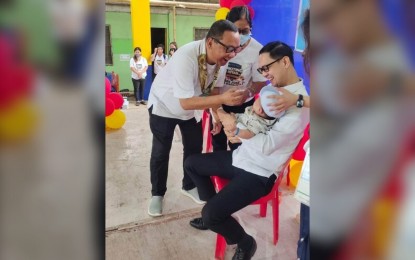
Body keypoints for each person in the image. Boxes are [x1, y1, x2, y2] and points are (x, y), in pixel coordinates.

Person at [186, 41, 310, 260]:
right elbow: (250, 116)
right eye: (260, 69)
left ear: (285, 61)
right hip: (240, 158)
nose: (264, 74)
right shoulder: (273, 90)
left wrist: (237, 132)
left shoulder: (298, 107)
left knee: (211, 214)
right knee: (192, 164)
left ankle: (245, 242)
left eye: (266, 68)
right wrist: (230, 119)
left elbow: (267, 145)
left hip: (260, 173)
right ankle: (215, 214)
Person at [146, 20, 246, 217]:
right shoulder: (186, 57)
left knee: (193, 149)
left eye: (236, 49)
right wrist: (223, 100)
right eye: (228, 48)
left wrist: (218, 115)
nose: (232, 54)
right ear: (210, 42)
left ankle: (188, 184)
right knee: (161, 152)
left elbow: (213, 91)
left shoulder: (221, 60)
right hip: (164, 106)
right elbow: (185, 102)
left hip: (193, 110)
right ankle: (157, 193)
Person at [210, 6, 268, 151]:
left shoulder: (258, 50)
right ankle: (218, 170)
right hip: (219, 100)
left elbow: (260, 81)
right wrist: (218, 112)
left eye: (245, 31)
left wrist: (248, 93)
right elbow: (212, 85)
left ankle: (235, 172)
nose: (241, 35)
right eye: (236, 30)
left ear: (251, 29)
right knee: (218, 140)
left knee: (239, 144)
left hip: (244, 106)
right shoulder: (219, 45)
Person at [217, 85, 285, 140]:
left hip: (236, 129)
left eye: (259, 99)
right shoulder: (258, 113)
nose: (257, 99)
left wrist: (236, 131)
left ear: (259, 110)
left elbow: (249, 134)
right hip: (235, 118)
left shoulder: (257, 124)